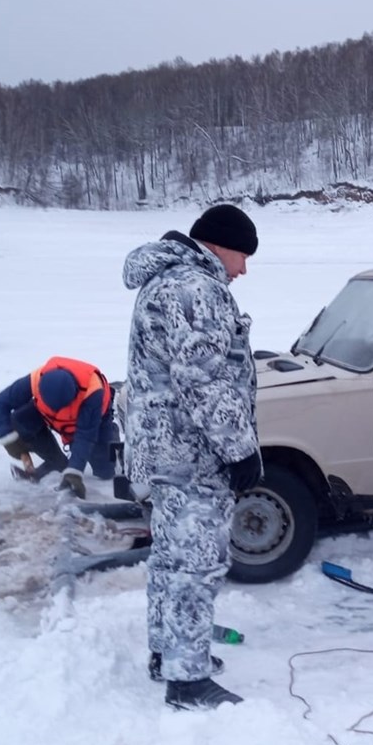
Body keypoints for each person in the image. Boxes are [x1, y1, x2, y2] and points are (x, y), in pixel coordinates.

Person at [122, 204, 261, 710]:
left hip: (165, 448)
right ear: (218, 245)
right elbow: (204, 379)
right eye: (242, 256)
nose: (242, 269)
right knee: (195, 564)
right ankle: (187, 678)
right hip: (191, 452)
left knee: (169, 556)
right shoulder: (194, 289)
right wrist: (240, 448)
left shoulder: (167, 281)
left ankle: (168, 651)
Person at [0, 356, 116, 499]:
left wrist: (74, 471)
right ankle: (57, 462)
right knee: (21, 420)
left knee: (105, 472)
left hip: (93, 421)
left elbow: (85, 435)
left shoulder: (92, 392)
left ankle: (112, 431)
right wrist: (8, 439)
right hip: (52, 418)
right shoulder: (36, 379)